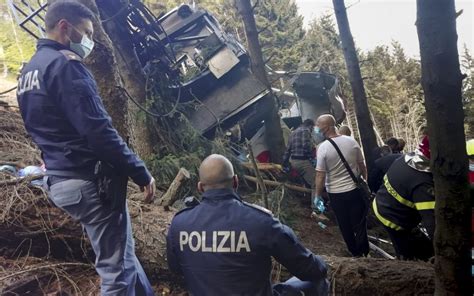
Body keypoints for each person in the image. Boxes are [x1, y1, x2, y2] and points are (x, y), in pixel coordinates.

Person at [16, 2, 155, 295]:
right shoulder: (66, 66)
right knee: (116, 272)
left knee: (124, 257)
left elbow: (37, 127)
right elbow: (99, 131)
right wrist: (140, 172)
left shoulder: (29, 71)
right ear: (65, 27)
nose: (89, 40)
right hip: (89, 181)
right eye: (87, 32)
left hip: (59, 178)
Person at [167, 154, 329, 296]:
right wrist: (322, 262)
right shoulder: (260, 221)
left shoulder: (179, 223)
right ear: (235, 181)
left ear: (200, 187)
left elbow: (176, 269)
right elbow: (310, 269)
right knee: (319, 282)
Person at [313, 114, 369, 257]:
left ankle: (354, 252)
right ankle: (364, 252)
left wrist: (318, 195)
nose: (316, 128)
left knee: (344, 224)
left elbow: (320, 175)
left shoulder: (323, 148)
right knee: (360, 223)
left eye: (318, 125)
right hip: (354, 190)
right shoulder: (351, 142)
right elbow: (362, 166)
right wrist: (365, 181)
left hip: (335, 193)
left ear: (326, 127)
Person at [372, 136, 434, 260]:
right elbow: (433, 224)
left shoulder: (408, 158)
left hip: (383, 203)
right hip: (393, 217)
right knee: (411, 256)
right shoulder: (423, 184)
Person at [282, 119, 316, 187]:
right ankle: (316, 197)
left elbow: (287, 150)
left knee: (307, 184)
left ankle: (308, 197)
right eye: (312, 128)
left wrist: (284, 163)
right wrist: (311, 158)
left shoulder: (293, 133)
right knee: (315, 184)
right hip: (303, 162)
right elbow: (305, 145)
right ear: (310, 126)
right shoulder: (306, 130)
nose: (312, 130)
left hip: (294, 162)